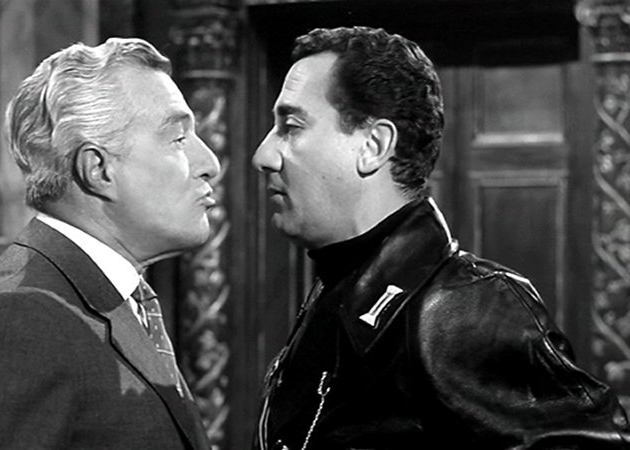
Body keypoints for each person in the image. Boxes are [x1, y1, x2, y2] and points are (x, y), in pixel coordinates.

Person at [252, 26, 630, 450]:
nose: (263, 155)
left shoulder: (464, 310)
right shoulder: (336, 288)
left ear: (373, 145)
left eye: (291, 126)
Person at [0, 37, 219, 450]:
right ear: (98, 169)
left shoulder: (107, 296)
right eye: (178, 139)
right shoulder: (19, 319)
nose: (210, 164)